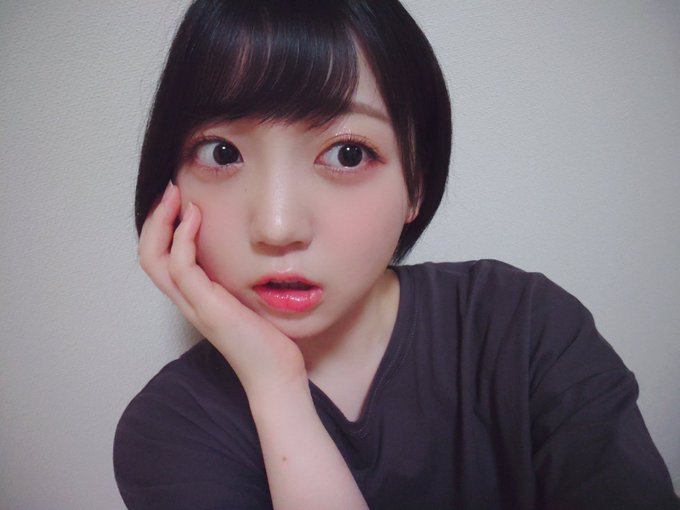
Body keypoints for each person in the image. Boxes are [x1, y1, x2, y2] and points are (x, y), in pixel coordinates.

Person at [113, 1, 680, 508]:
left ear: (416, 186)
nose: (278, 226)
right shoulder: (169, 430)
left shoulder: (524, 327)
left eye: (348, 153)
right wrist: (276, 387)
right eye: (222, 152)